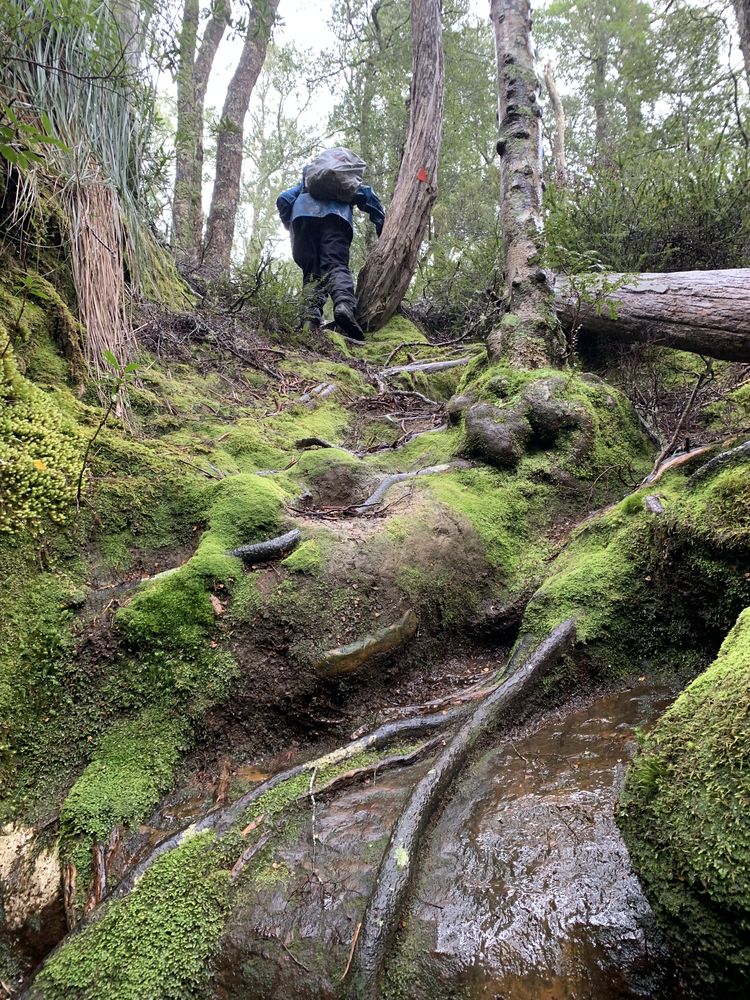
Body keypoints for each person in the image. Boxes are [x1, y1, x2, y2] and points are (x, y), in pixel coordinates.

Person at [276, 163, 385, 341]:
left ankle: (309, 322)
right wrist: (382, 225)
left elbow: (283, 199)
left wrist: (291, 225)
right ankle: (344, 306)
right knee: (335, 265)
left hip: (302, 218)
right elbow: (368, 196)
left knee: (311, 275)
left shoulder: (306, 183)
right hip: (336, 218)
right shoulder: (343, 183)